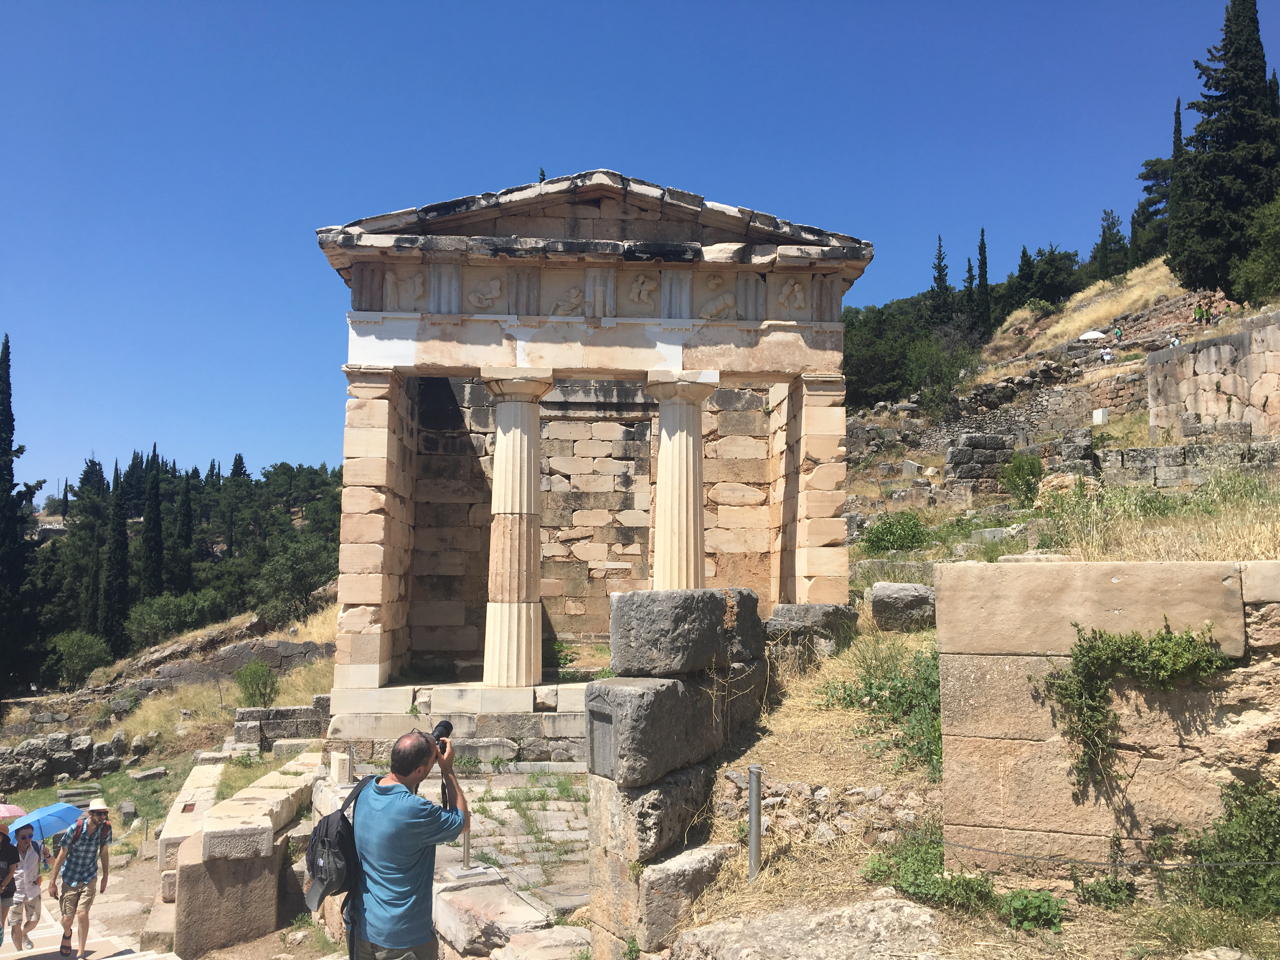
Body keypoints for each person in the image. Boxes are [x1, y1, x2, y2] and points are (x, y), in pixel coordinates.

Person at [352, 730, 468, 960]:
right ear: (419, 771)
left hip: (362, 927)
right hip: (402, 937)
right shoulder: (414, 809)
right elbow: (462, 823)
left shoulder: (365, 789)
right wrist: (447, 769)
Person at [49, 799, 111, 959]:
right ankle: (67, 933)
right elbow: (61, 855)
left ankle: (81, 953)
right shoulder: (74, 829)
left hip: (89, 875)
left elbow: (104, 852)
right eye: (99, 814)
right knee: (67, 919)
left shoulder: (105, 828)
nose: (102, 817)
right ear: (90, 814)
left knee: (83, 913)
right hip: (70, 876)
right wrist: (52, 882)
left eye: (104, 813)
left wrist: (105, 876)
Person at [10, 824, 51, 952]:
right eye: (23, 837)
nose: (27, 839)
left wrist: (48, 855)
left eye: (30, 836)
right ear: (16, 837)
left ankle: (23, 934)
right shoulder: (10, 851)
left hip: (33, 891)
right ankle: (19, 952)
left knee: (34, 920)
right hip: (14, 893)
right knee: (15, 924)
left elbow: (52, 863)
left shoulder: (38, 847)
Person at [0, 825, 20, 937]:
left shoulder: (11, 850)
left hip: (6, 889)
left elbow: (11, 871)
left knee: (1, 921)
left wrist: (2, 886)